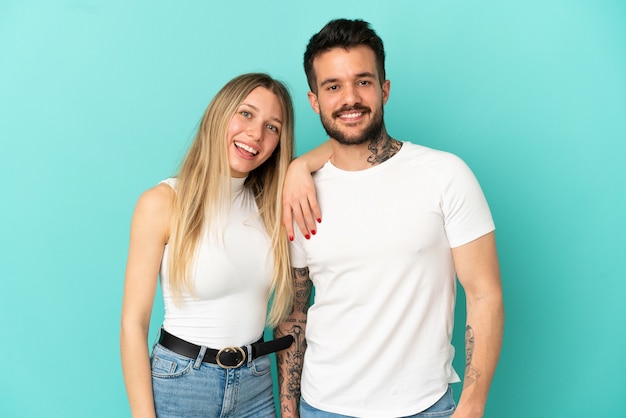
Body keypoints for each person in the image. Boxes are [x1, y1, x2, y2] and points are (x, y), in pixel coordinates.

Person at [274, 19, 504, 418]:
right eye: (333, 86)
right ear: (315, 101)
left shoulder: (444, 175)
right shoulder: (300, 195)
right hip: (321, 407)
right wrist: (290, 411)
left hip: (424, 406)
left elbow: (484, 294)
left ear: (384, 89)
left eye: (363, 82)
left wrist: (472, 405)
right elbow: (294, 313)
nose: (350, 98)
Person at [120, 73, 296, 418]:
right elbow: (132, 324)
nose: (256, 134)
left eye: (272, 127)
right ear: (220, 114)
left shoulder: (273, 206)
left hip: (257, 383)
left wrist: (302, 165)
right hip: (183, 383)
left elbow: (342, 150)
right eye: (246, 114)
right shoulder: (164, 202)